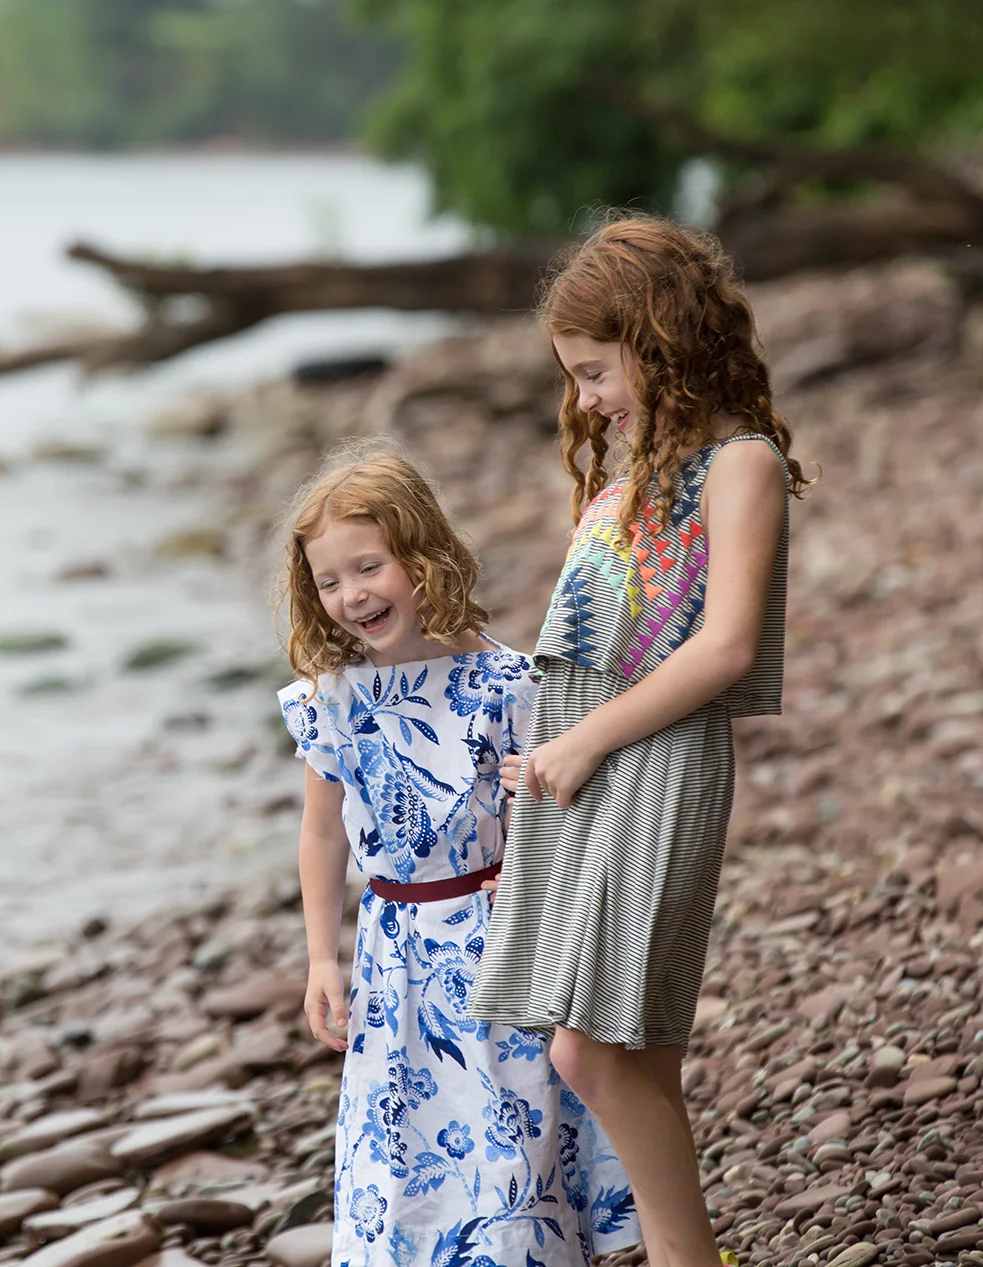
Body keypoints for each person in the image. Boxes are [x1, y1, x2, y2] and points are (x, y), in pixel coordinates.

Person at [469, 213, 813, 1267]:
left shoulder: (738, 465)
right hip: (585, 769)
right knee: (632, 1051)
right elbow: (576, 643)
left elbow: (722, 648)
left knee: (591, 1051)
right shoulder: (629, 478)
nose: (584, 402)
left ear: (658, 340)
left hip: (650, 765)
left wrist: (582, 745)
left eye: (593, 372)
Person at [278, 442, 640, 1267]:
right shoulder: (332, 701)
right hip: (392, 953)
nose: (351, 595)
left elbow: (568, 813)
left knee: (513, 1134)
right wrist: (319, 959)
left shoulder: (506, 683)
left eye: (368, 567)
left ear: (423, 554)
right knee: (405, 1140)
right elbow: (322, 832)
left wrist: (538, 787)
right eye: (329, 581)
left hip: (499, 942)